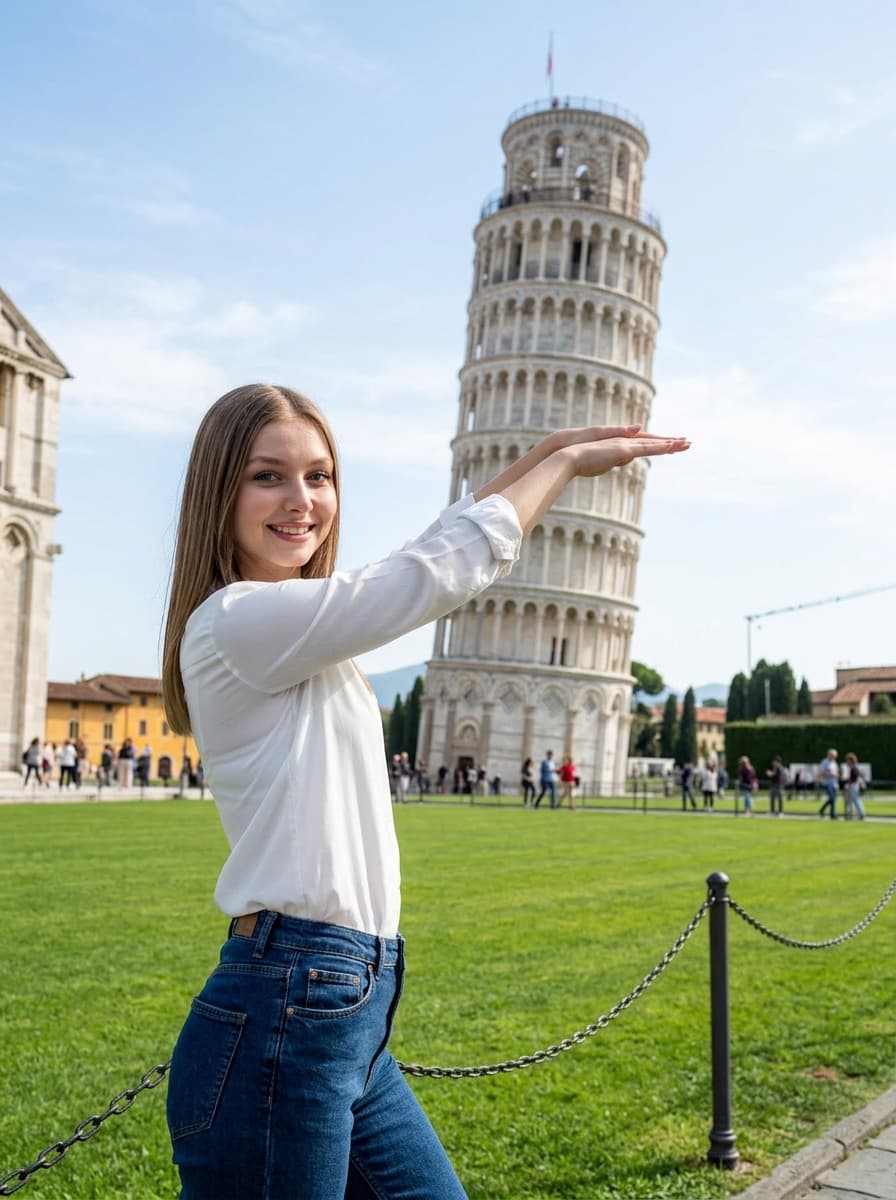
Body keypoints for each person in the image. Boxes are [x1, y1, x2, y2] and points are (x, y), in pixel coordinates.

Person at [160, 382, 688, 1199]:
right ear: (219, 490)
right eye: (269, 476)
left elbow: (426, 550)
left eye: (320, 476)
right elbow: (427, 576)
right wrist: (566, 467)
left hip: (344, 1012)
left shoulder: (298, 631)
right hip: (288, 1004)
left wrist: (538, 459)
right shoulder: (238, 620)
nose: (302, 501)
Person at [817, 748, 839, 820]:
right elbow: (822, 772)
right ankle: (832, 814)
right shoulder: (825, 762)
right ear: (829, 755)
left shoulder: (834, 763)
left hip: (834, 783)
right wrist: (830, 774)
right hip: (827, 783)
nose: (834, 757)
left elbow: (836, 772)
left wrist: (836, 774)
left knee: (833, 799)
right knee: (832, 798)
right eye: (833, 755)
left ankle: (822, 810)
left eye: (835, 756)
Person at [844, 752, 866, 820]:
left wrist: (848, 784)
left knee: (855, 800)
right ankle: (850, 814)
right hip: (854, 785)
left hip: (854, 786)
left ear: (850, 760)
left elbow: (853, 779)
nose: (846, 762)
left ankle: (861, 813)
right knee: (851, 800)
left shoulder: (853, 768)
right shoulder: (853, 768)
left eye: (847, 760)